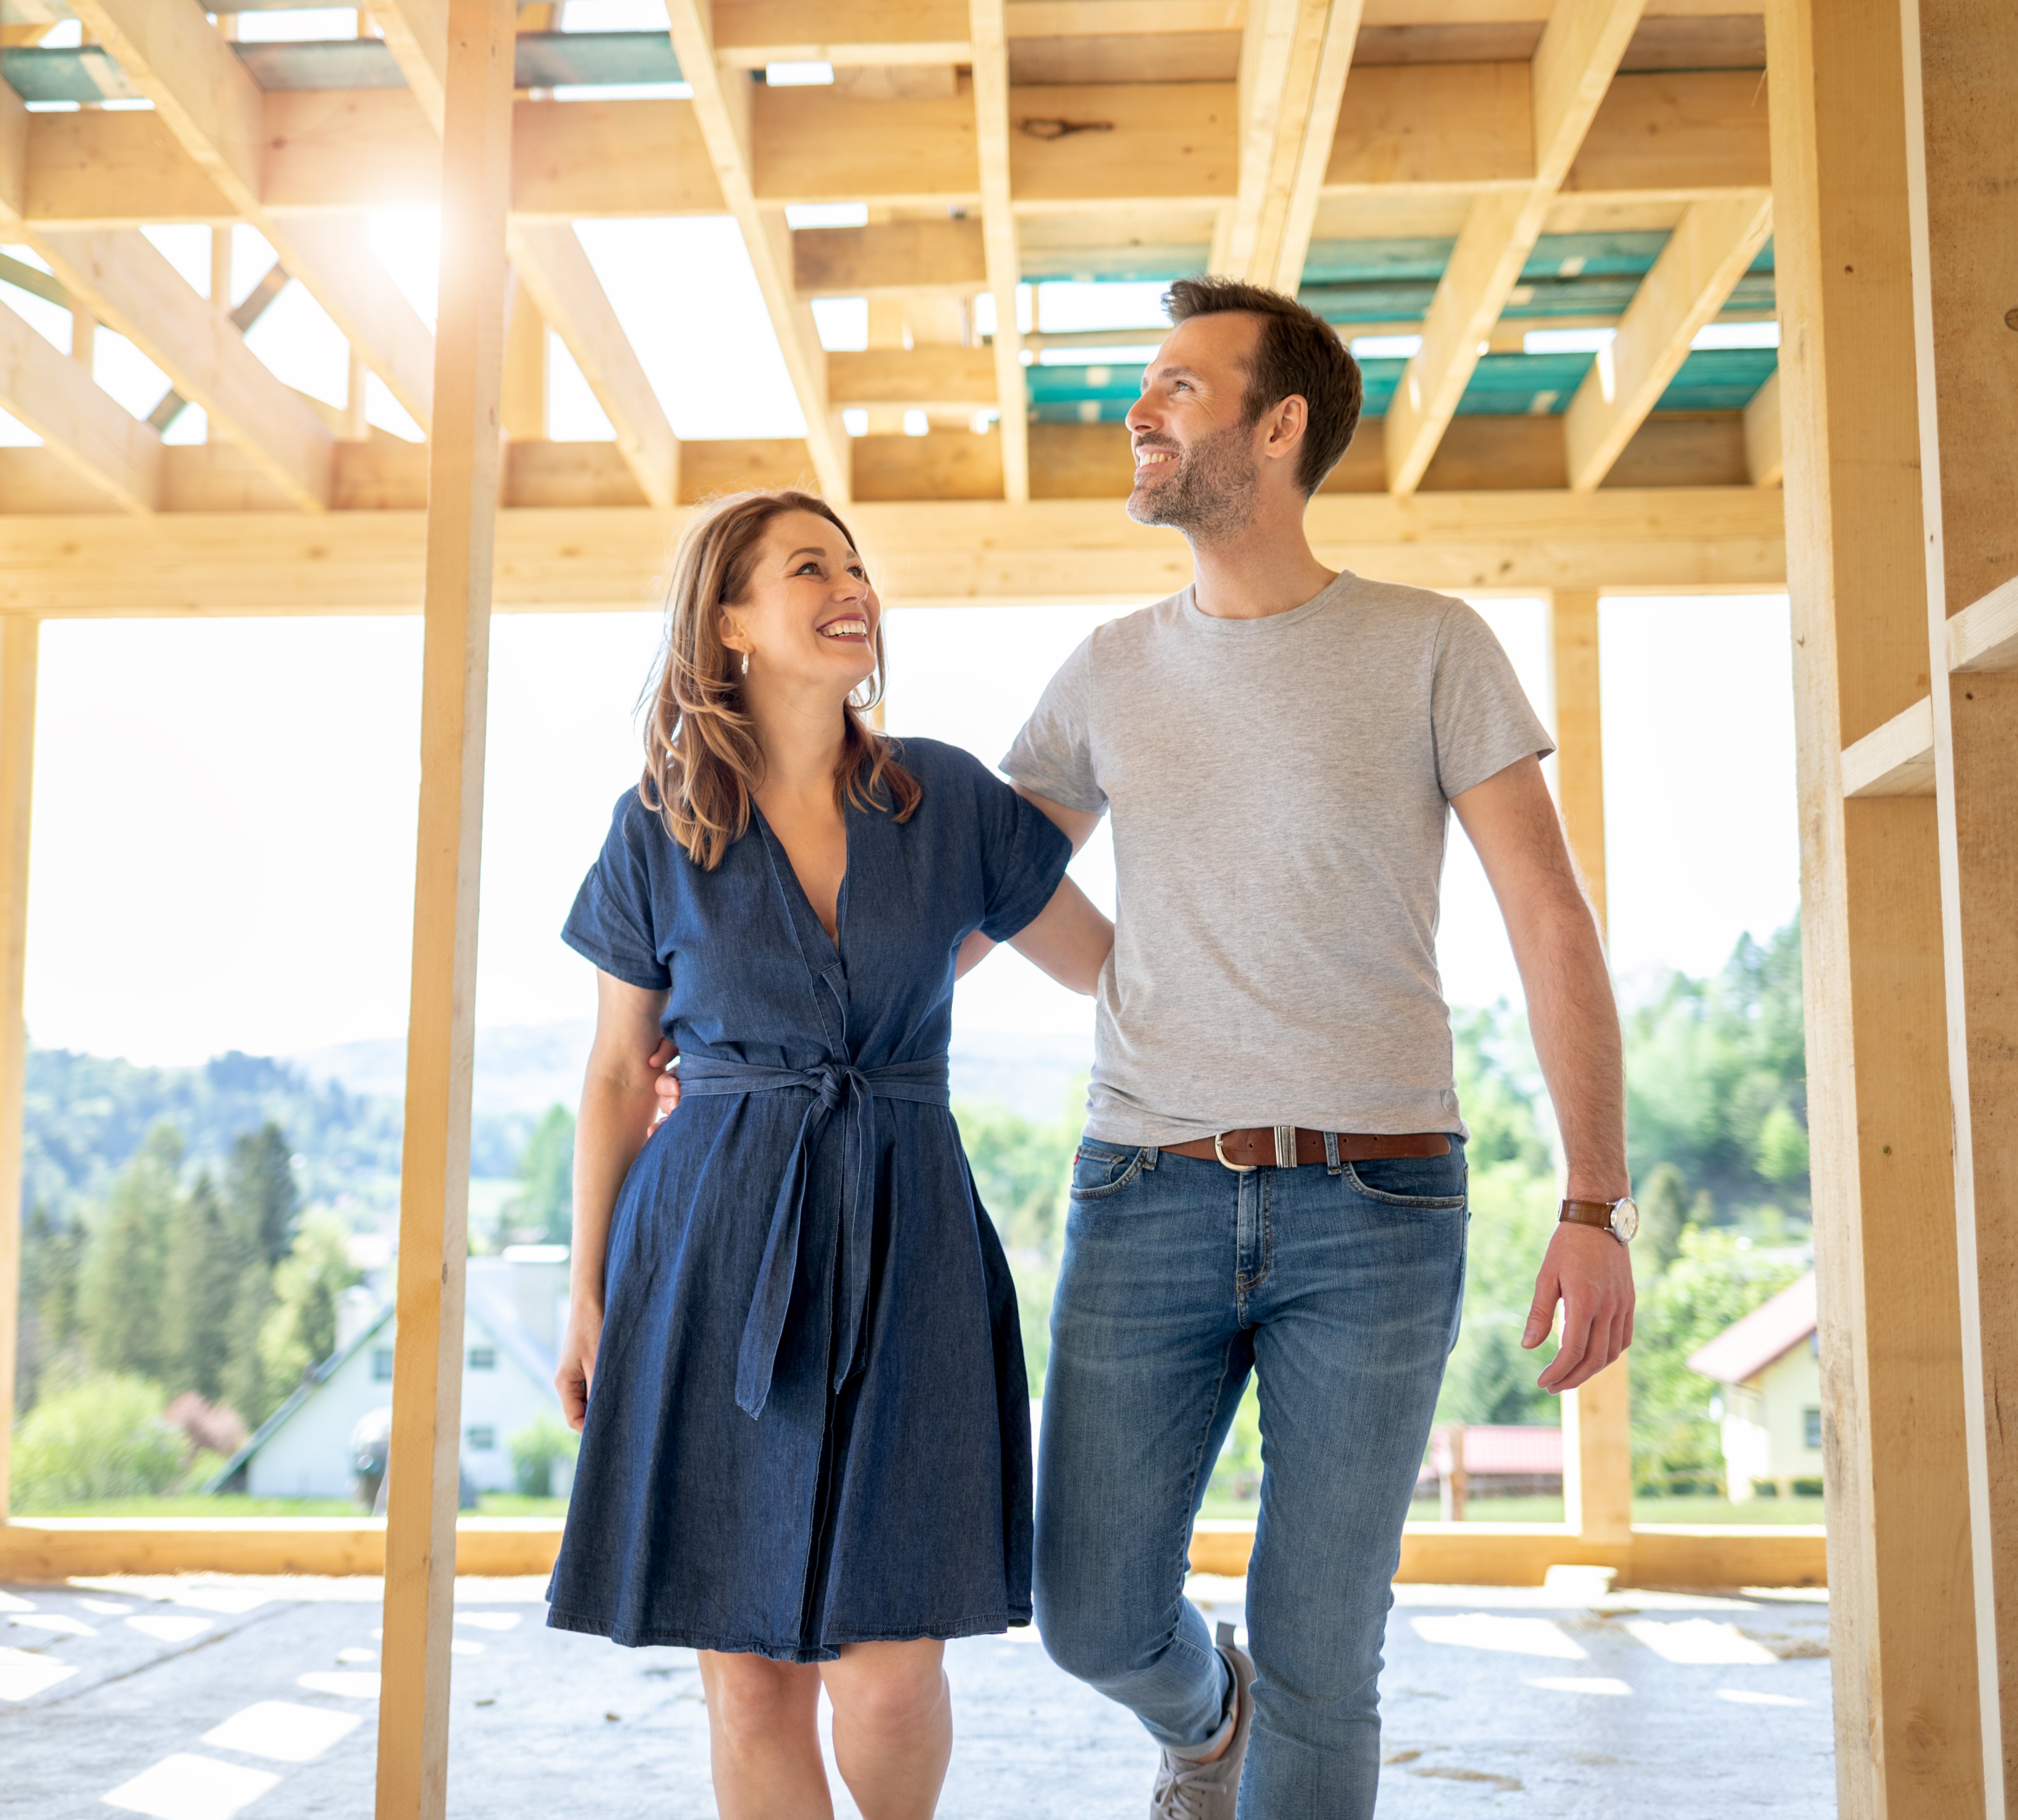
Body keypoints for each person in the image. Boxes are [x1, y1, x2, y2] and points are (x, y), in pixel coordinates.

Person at [1002, 278, 1637, 1819]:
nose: (1139, 411)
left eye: (1180, 386)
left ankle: (1264, 1715)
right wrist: (751, 1024)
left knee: (1323, 1651)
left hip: (1381, 1207)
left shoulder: (1431, 647)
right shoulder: (1107, 668)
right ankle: (1205, 1719)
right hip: (1143, 1188)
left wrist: (1595, 1199)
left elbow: (1549, 918)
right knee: (1087, 1612)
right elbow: (978, 890)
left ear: (1279, 427)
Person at [545, 489, 1115, 1820]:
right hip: (706, 1250)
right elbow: (620, 1073)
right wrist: (586, 1292)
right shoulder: (655, 824)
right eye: (810, 567)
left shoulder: (947, 796)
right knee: (748, 1682)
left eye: (856, 566)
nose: (852, 586)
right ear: (730, 622)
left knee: (892, 1676)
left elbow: (1112, 968)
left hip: (911, 1241)